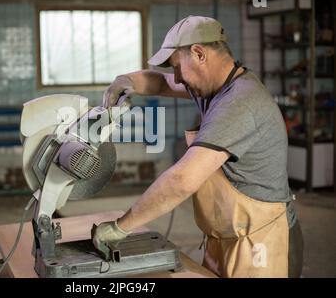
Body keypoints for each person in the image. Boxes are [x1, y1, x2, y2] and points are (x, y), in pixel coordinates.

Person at [92, 16, 304, 278]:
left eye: (176, 66)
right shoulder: (217, 87)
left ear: (199, 53)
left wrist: (120, 227)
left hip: (263, 243)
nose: (178, 78)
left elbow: (182, 180)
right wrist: (123, 81)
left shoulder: (239, 102)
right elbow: (159, 82)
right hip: (228, 236)